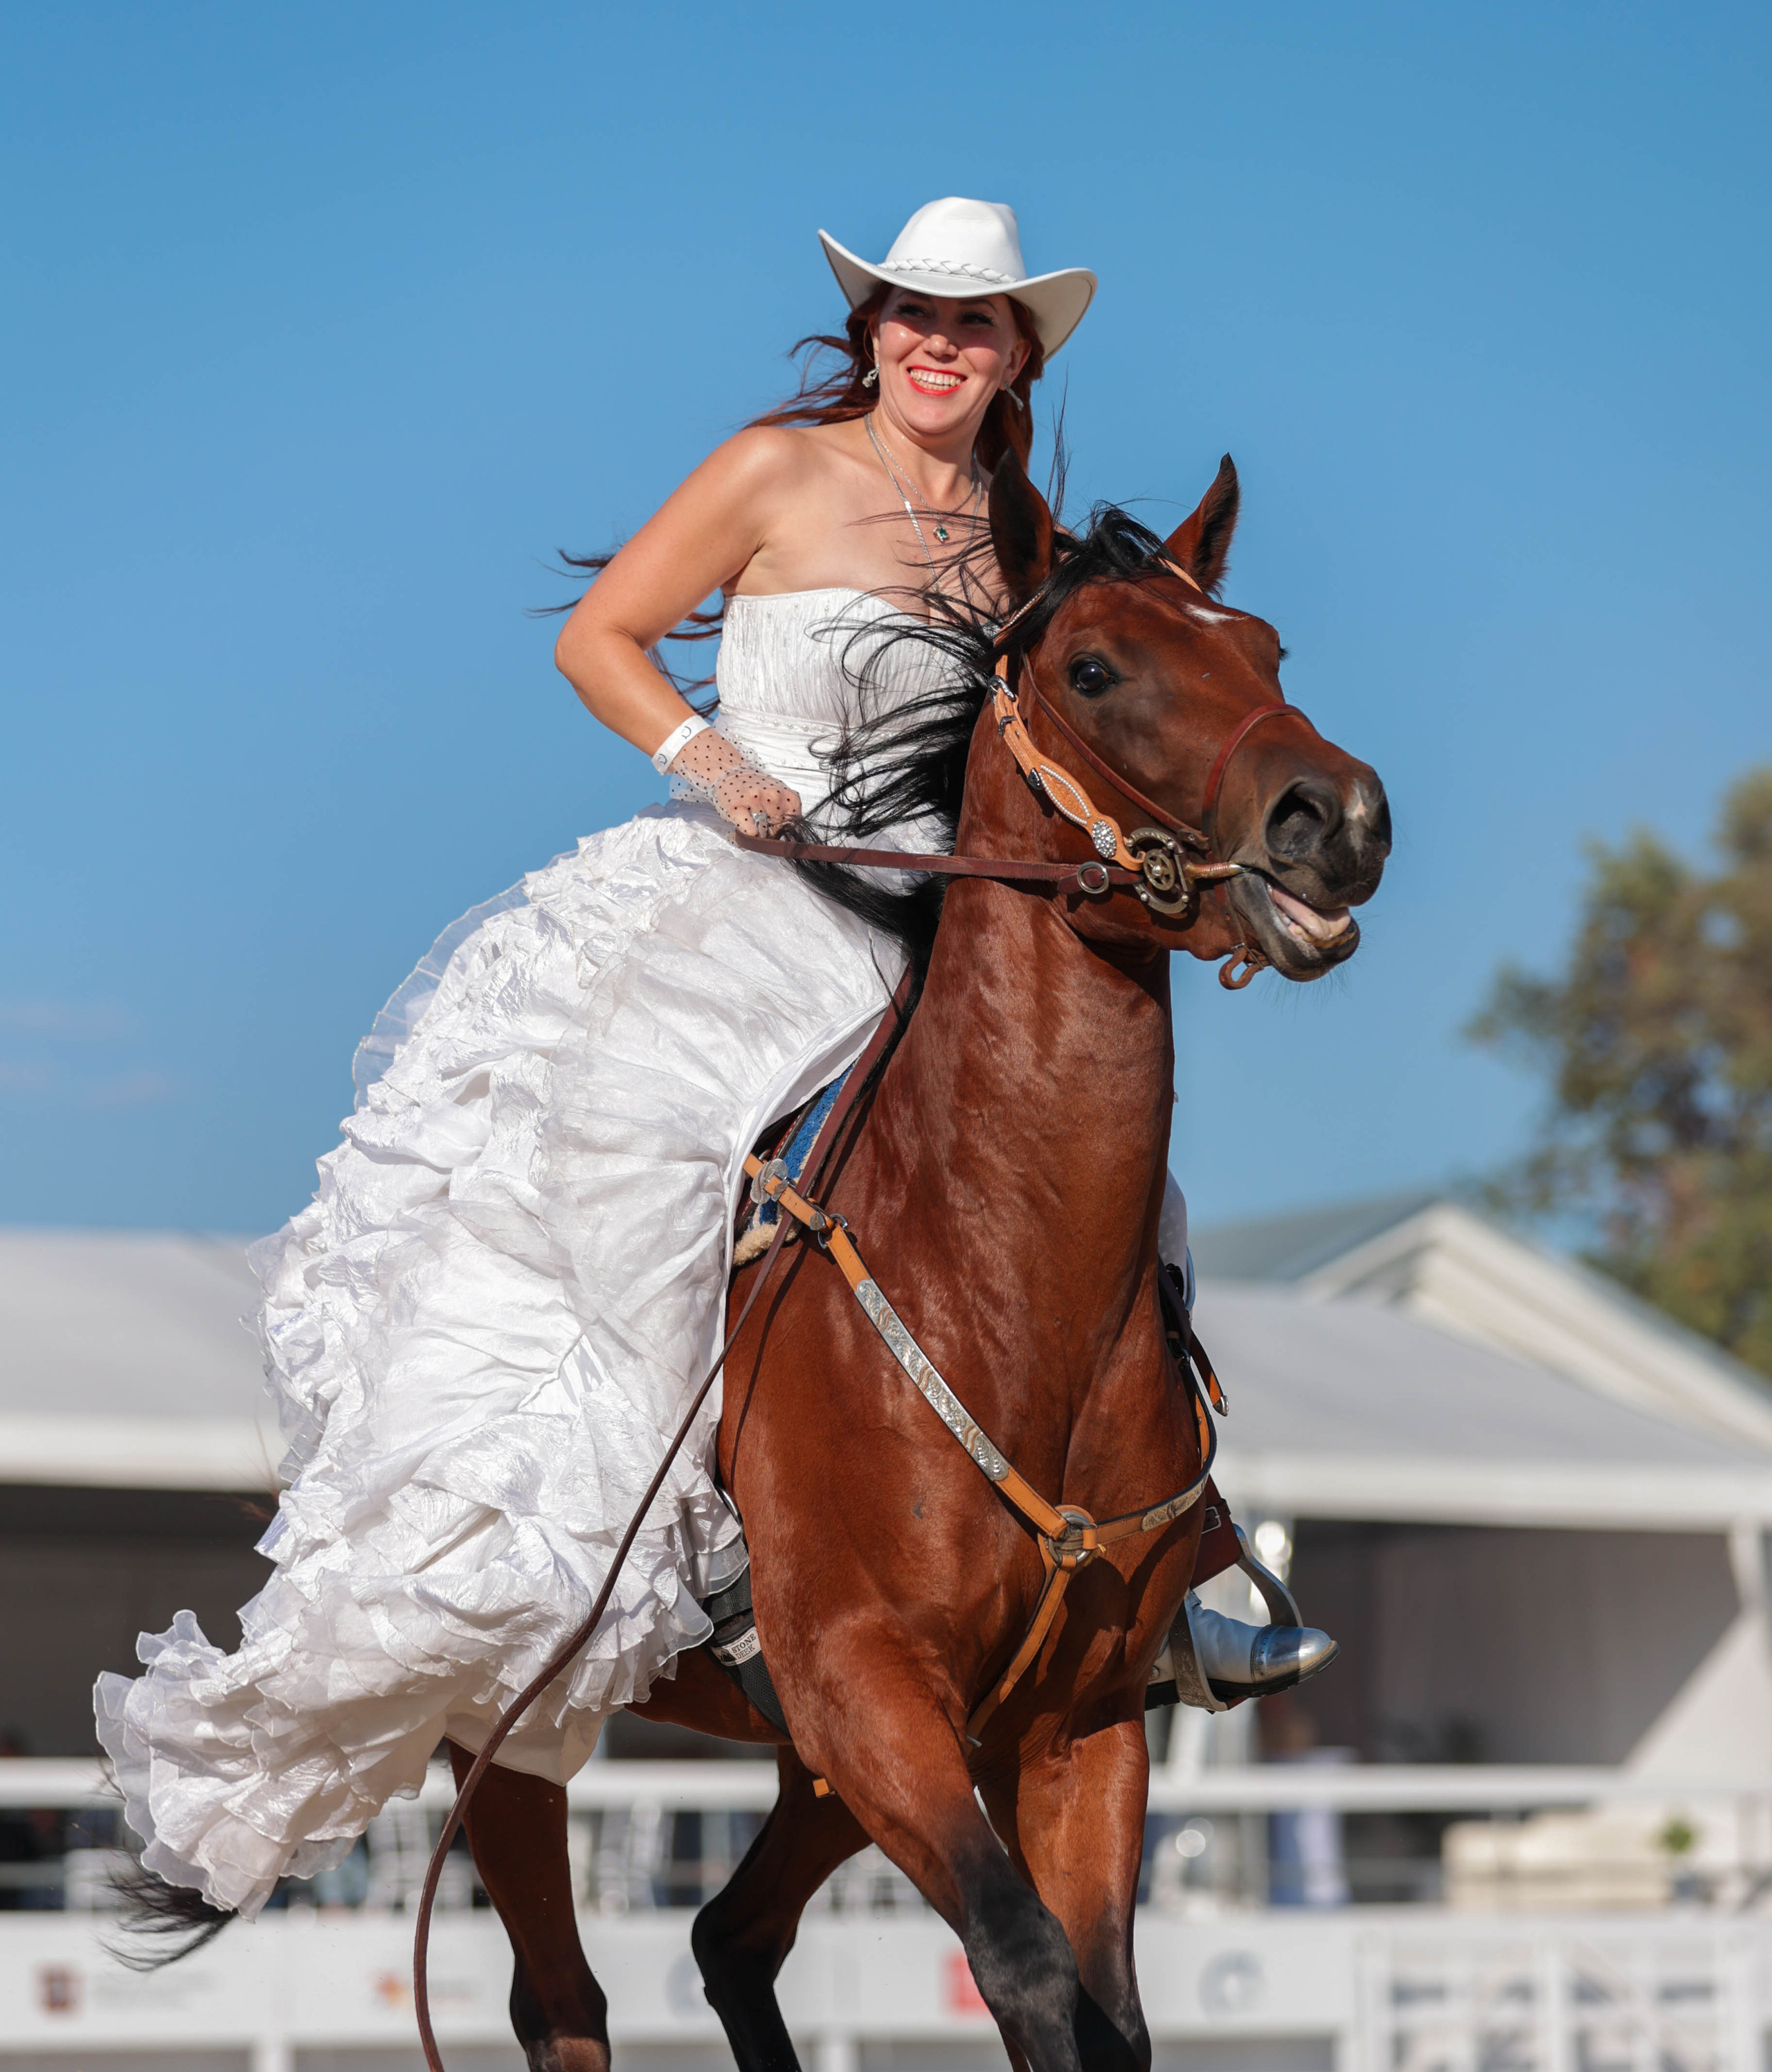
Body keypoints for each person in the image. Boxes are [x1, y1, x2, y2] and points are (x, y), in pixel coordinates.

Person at [96, 200, 1106, 1917]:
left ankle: (1167, 1575)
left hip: (931, 937)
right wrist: (714, 764)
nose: (937, 343)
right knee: (647, 1186)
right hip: (749, 900)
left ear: (1018, 354)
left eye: (975, 323)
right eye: (911, 313)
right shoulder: (773, 473)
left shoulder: (1022, 536)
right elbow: (599, 638)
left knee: (1099, 1183)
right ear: (870, 329)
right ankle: (691, 1558)